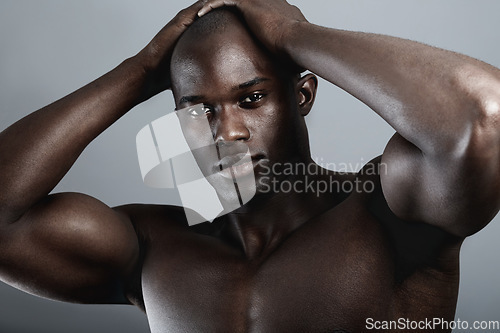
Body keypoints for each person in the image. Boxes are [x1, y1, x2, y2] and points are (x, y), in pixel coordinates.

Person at [0, 0, 499, 332]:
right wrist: (143, 69)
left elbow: (483, 119)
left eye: (252, 98)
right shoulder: (155, 250)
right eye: (199, 110)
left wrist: (290, 34)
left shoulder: (389, 214)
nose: (227, 133)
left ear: (301, 95)